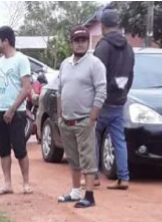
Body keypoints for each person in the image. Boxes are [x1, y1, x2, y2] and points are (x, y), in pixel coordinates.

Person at [57, 26, 107, 209]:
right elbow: (60, 90)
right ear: (71, 43)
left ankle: (89, 195)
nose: (80, 44)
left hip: (84, 119)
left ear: (88, 42)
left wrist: (93, 116)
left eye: (83, 40)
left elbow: (101, 90)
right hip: (67, 120)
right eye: (76, 41)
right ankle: (75, 191)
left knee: (88, 159)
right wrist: (60, 114)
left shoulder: (95, 64)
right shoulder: (65, 64)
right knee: (72, 158)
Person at [93, 9, 135, 190]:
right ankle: (123, 178)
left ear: (102, 25)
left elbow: (96, 74)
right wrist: (123, 93)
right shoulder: (129, 47)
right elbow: (131, 74)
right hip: (119, 99)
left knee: (92, 137)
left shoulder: (103, 46)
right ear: (118, 25)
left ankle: (93, 176)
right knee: (119, 139)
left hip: (102, 101)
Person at [0, 25, 33, 195]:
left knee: (20, 149)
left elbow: (26, 87)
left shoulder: (21, 60)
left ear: (6, 41)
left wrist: (12, 109)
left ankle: (26, 183)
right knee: (3, 150)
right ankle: (7, 183)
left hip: (16, 112)